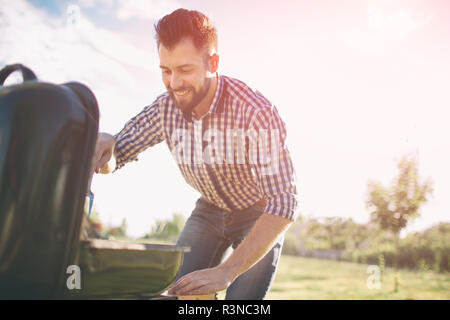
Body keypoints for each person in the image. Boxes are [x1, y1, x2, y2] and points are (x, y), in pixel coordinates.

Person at [91, 8, 298, 300]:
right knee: (176, 292)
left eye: (185, 70)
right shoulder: (165, 109)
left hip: (258, 213)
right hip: (209, 211)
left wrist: (226, 272)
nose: (174, 83)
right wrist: (105, 143)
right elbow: (117, 155)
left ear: (212, 62)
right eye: (166, 70)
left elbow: (284, 202)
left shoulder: (255, 112)